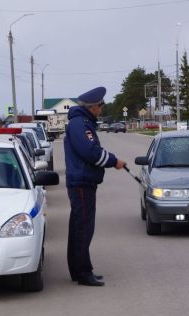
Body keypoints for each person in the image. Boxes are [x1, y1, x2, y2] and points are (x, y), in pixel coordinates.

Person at [64, 86, 125, 286]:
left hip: (82, 181)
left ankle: (77, 269)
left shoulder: (81, 123)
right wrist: (114, 161)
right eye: (101, 106)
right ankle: (83, 272)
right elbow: (91, 153)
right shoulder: (80, 125)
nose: (101, 110)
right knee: (83, 229)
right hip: (82, 182)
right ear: (93, 107)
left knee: (78, 227)